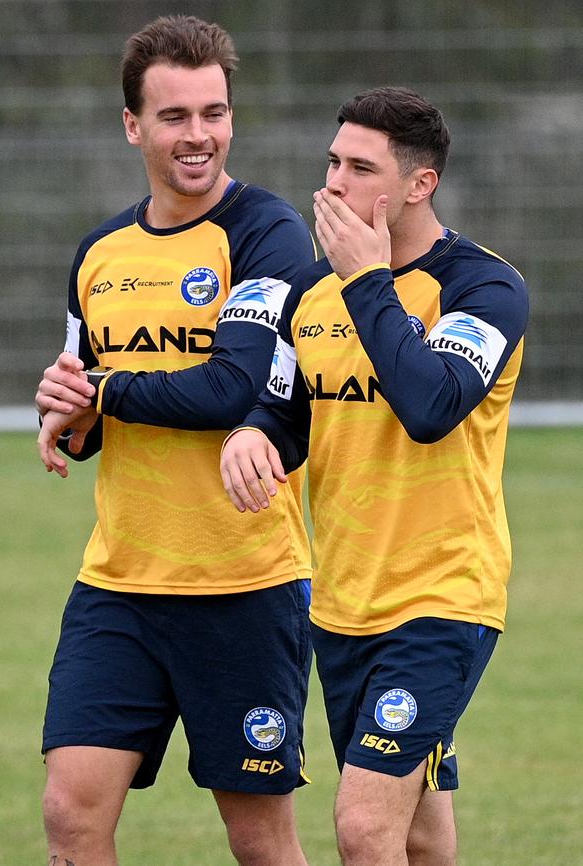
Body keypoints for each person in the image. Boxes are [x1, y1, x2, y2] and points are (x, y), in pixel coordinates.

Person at [220, 87, 529, 866]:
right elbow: (285, 412)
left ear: (419, 185)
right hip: (344, 604)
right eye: (332, 161)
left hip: (442, 597)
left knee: (363, 826)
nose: (333, 184)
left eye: (360, 168)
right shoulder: (309, 296)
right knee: (419, 832)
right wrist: (251, 437)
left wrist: (367, 280)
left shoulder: (484, 288)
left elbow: (431, 405)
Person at [34, 15, 316, 866]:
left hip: (244, 582)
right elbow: (88, 410)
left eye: (214, 113)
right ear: (133, 124)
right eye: (174, 116)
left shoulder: (268, 232)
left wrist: (106, 395)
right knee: (70, 815)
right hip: (118, 583)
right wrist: (65, 412)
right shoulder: (97, 255)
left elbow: (232, 386)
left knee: (259, 839)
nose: (199, 136)